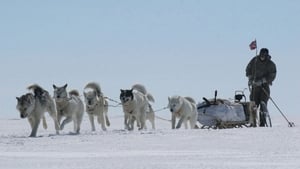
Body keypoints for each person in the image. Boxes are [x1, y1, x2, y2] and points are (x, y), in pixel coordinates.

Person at [246, 48, 277, 127]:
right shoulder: (254, 60)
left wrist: (263, 80)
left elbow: (272, 74)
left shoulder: (270, 64)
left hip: (264, 87)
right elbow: (248, 69)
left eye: (264, 55)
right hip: (255, 87)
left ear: (266, 56)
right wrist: (250, 78)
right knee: (253, 104)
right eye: (261, 55)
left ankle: (262, 123)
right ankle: (253, 122)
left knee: (263, 104)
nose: (262, 57)